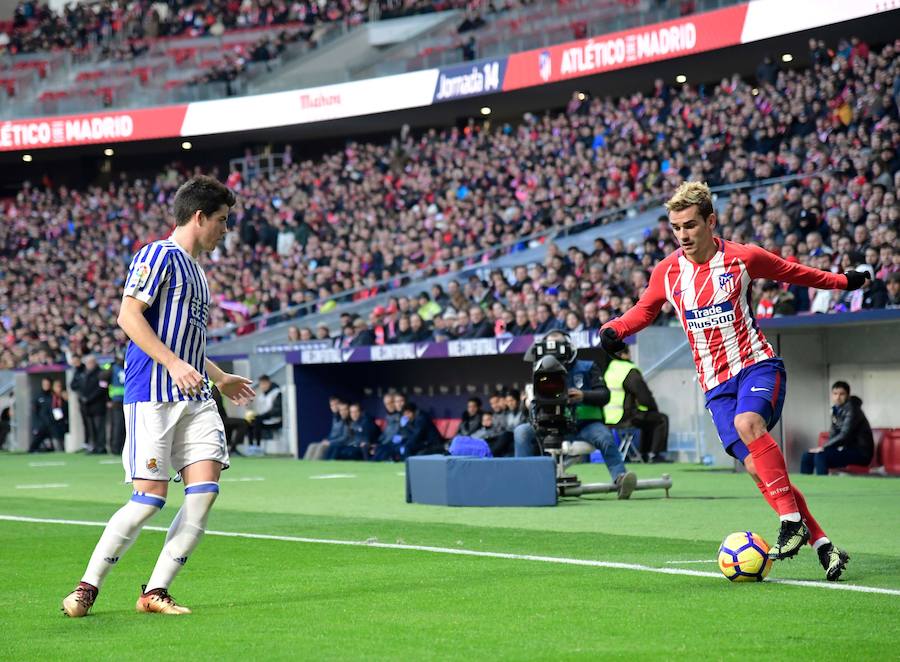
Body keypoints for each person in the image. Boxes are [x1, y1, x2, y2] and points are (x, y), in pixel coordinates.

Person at [600, 181, 868, 580]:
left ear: (711, 221)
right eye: (676, 227)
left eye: (690, 225)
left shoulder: (743, 259)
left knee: (749, 425)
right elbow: (644, 310)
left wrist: (843, 283)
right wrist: (616, 328)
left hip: (757, 366)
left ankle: (789, 520)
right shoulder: (668, 272)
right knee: (758, 470)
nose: (683, 235)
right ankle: (823, 544)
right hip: (715, 386)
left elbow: (795, 273)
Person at [62, 175, 255, 617]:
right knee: (149, 499)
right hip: (153, 392)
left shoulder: (199, 273)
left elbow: (188, 346)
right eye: (222, 221)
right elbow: (128, 317)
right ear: (199, 216)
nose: (225, 230)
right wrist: (172, 364)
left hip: (196, 395)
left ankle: (155, 592)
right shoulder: (157, 255)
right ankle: (87, 587)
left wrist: (218, 376)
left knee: (204, 491)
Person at [514, 330, 637, 499]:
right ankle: (523, 483)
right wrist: (527, 403)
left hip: (585, 424)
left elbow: (605, 395)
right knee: (521, 432)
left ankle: (620, 478)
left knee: (605, 437)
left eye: (558, 345)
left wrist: (583, 395)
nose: (554, 351)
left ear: (569, 346)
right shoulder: (539, 370)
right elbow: (532, 405)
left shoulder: (587, 367)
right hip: (549, 424)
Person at [602, 347, 670, 463]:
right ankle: (654, 455)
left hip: (608, 417)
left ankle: (645, 455)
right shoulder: (629, 371)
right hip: (624, 416)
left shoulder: (610, 369)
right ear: (623, 355)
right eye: (629, 353)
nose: (630, 356)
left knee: (647, 419)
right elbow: (645, 398)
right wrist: (654, 408)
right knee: (660, 419)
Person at [801, 381, 874, 475]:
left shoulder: (853, 409)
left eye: (842, 394)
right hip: (846, 450)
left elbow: (845, 435)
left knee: (821, 456)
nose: (838, 397)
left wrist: (823, 447)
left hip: (861, 453)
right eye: (835, 394)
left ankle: (823, 487)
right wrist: (823, 449)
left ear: (847, 395)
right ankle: (803, 488)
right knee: (807, 455)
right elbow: (833, 434)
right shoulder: (836, 410)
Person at [71, 355, 109, 453]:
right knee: (91, 428)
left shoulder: (101, 373)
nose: (88, 365)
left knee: (99, 427)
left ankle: (101, 447)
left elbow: (102, 388)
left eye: (90, 363)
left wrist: (89, 398)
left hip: (98, 404)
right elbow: (76, 385)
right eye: (87, 363)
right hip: (87, 406)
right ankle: (94, 446)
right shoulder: (84, 373)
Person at [212, 385, 249, 454]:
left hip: (219, 418)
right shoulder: (215, 391)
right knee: (243, 423)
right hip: (216, 419)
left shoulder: (217, 391)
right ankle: (233, 447)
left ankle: (229, 446)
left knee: (230, 424)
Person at [248, 375, 282, 445]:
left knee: (257, 422)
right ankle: (251, 446)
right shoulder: (262, 396)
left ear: (268, 383)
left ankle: (258, 446)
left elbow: (276, 411)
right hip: (264, 419)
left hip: (275, 420)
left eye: (264, 384)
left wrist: (262, 416)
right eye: (260, 384)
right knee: (249, 422)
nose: (262, 386)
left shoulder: (276, 393)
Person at [105, 353, 127, 455]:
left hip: (119, 400)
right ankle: (117, 448)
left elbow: (103, 381)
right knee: (120, 425)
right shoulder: (127, 366)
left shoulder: (113, 368)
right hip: (122, 400)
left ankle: (117, 447)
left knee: (119, 425)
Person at [29, 377, 55, 452]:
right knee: (36, 442)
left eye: (47, 384)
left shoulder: (53, 396)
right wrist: (36, 425)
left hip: (52, 424)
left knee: (54, 445)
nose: (46, 386)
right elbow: (34, 412)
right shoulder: (38, 396)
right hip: (41, 425)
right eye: (44, 384)